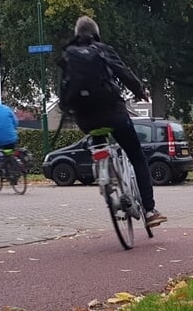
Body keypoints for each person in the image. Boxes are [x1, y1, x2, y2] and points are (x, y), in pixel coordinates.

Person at [57, 15, 166, 228]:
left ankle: (104, 173)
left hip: (85, 118)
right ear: (96, 34)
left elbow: (64, 87)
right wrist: (140, 91)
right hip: (112, 113)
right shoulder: (103, 49)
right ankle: (150, 209)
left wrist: (67, 109)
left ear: (76, 34)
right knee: (136, 156)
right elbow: (123, 73)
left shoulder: (68, 55)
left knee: (97, 139)